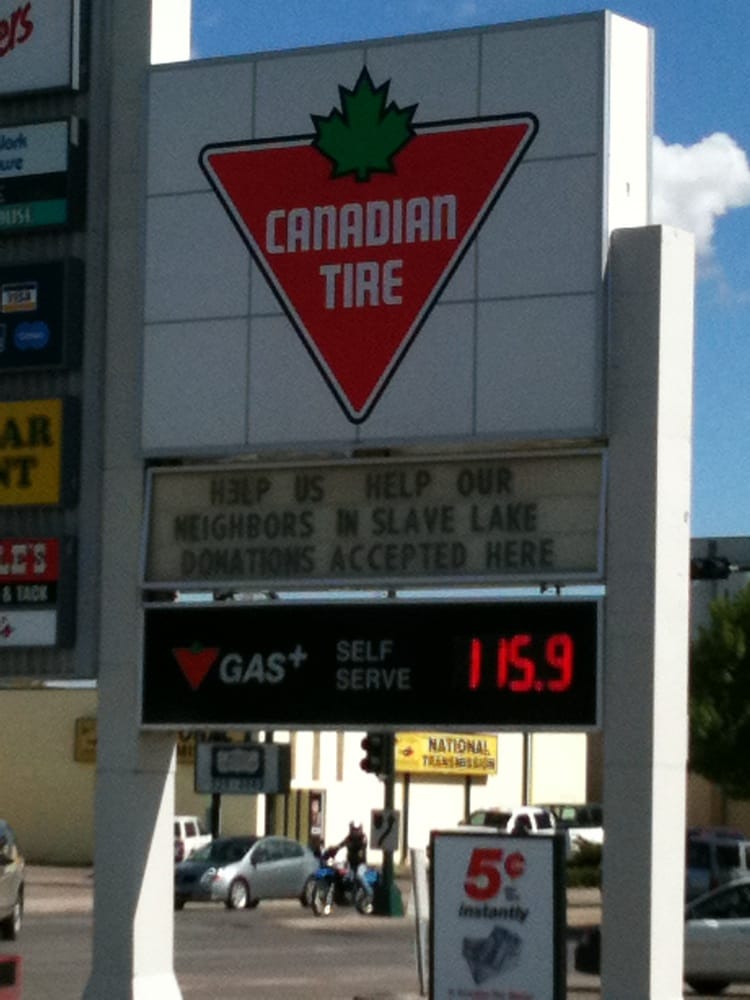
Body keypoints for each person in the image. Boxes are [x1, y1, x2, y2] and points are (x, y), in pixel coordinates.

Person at [338, 820, 372, 901]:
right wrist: (333, 848)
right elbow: (341, 844)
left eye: (356, 829)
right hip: (350, 863)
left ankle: (369, 893)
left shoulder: (363, 838)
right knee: (345, 877)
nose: (354, 831)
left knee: (359, 876)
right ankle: (344, 896)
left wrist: (349, 845)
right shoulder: (349, 838)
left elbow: (360, 846)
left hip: (361, 864)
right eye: (353, 829)